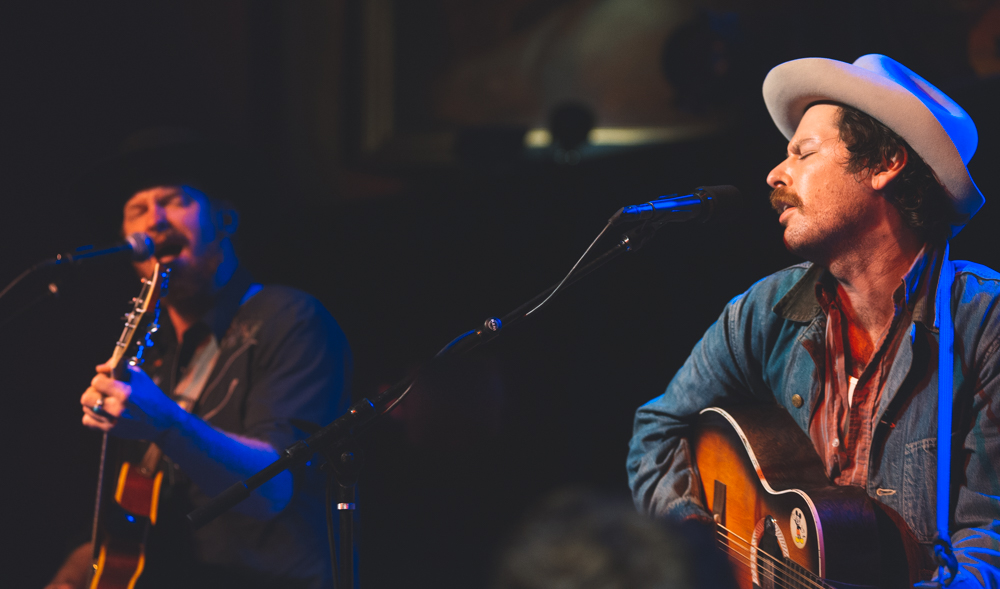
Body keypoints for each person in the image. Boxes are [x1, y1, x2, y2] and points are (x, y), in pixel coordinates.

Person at [627, 55, 1000, 588]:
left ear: (885, 163)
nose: (776, 174)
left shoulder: (983, 323)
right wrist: (703, 551)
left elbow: (991, 538)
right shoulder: (766, 310)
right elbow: (657, 431)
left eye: (803, 152)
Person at [46, 131, 352, 589]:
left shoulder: (289, 317)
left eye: (173, 201)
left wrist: (166, 423)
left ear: (225, 219)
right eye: (138, 211)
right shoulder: (150, 353)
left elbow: (271, 489)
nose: (155, 220)